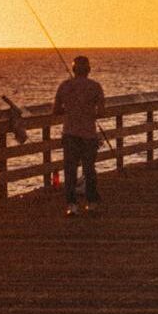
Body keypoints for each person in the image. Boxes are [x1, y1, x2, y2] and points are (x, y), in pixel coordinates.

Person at [53, 55, 106, 216]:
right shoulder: (95, 87)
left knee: (70, 171)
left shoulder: (64, 86)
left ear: (74, 70)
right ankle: (91, 203)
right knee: (89, 169)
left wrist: (70, 110)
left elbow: (56, 110)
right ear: (88, 70)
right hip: (89, 135)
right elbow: (101, 112)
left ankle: (72, 205)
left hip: (70, 134)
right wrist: (88, 111)